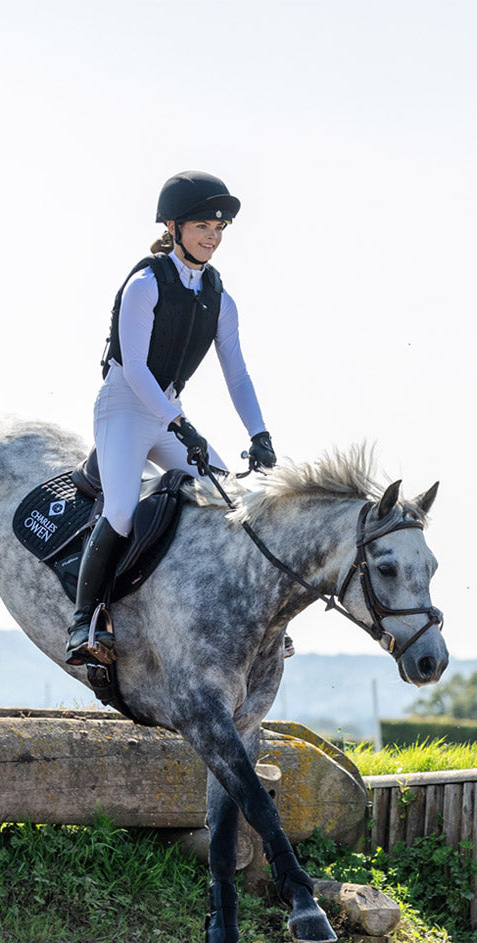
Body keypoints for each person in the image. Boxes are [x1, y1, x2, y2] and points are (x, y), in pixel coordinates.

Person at [65, 170, 277, 666]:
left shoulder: (220, 298)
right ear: (174, 226)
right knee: (120, 511)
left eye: (219, 228)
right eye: (203, 225)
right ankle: (84, 622)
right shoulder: (144, 284)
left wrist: (259, 433)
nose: (213, 236)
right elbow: (134, 369)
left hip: (167, 412)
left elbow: (238, 374)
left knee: (233, 499)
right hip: (123, 408)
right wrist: (179, 423)